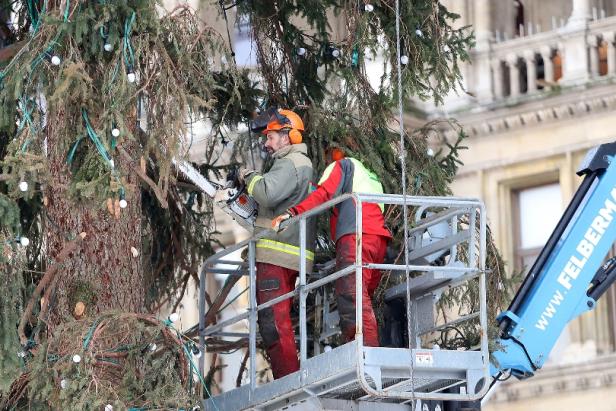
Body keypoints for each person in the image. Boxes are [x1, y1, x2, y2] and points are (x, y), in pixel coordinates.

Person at [272, 148, 391, 347]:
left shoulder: (343, 165)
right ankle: (368, 349)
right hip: (377, 239)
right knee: (362, 298)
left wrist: (294, 211)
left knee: (352, 297)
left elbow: (325, 193)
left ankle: (364, 353)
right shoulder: (369, 175)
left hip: (356, 235)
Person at [238, 108, 316, 379]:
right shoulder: (294, 163)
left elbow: (267, 192)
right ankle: (290, 376)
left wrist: (247, 176)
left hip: (278, 253)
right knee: (275, 320)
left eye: (271, 137)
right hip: (285, 250)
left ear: (288, 136)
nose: (267, 143)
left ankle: (289, 381)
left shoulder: (291, 162)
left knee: (272, 321)